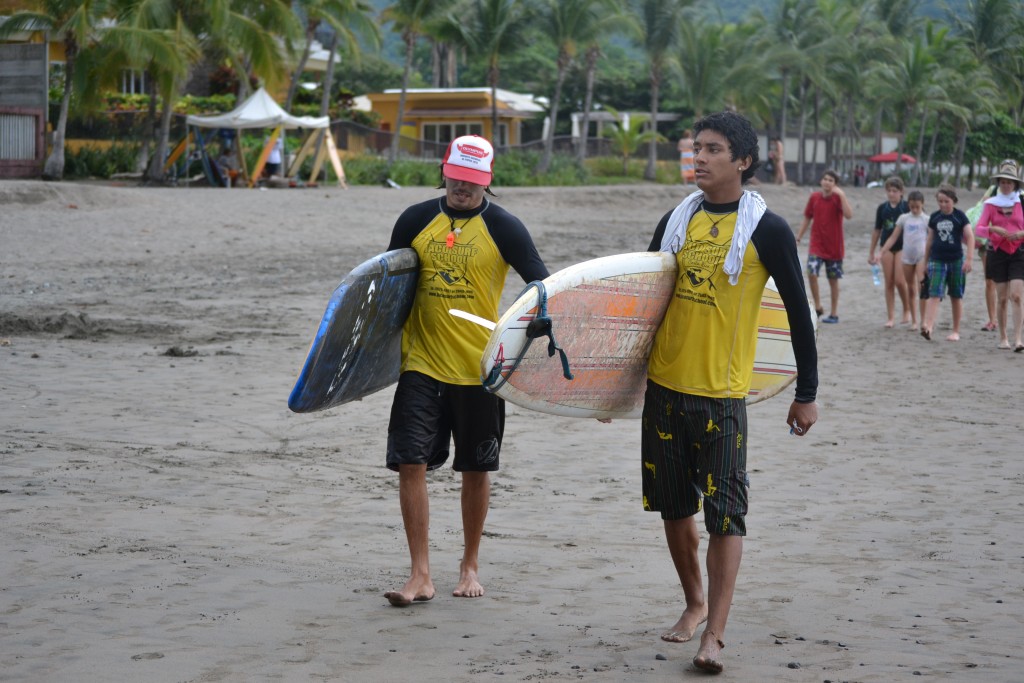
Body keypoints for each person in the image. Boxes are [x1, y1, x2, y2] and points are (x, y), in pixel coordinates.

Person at [642, 111, 818, 674]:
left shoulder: (767, 229)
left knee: (726, 517)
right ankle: (693, 602)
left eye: (713, 149)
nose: (700, 156)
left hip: (721, 396)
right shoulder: (676, 219)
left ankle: (714, 633)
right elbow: (642, 301)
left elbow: (798, 314)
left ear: (742, 161)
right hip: (665, 389)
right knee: (674, 509)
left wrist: (806, 392)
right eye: (697, 147)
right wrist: (610, 388)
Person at [381, 135, 549, 606]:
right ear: (444, 170)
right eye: (457, 177)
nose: (463, 188)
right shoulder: (415, 219)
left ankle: (469, 564)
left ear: (487, 180)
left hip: (480, 369)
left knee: (475, 468)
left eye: (473, 181)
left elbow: (540, 281)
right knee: (410, 460)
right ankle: (420, 575)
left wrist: (536, 317)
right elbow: (387, 288)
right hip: (422, 364)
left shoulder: (504, 227)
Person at [975, 159, 1024, 351]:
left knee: (1017, 296)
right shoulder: (990, 203)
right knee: (1002, 297)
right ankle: (1003, 337)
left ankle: (1019, 338)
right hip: (998, 252)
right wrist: (993, 229)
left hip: (1019, 252)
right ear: (998, 183)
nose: (1005, 185)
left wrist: (1021, 234)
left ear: (1015, 184)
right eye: (1002, 181)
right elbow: (978, 229)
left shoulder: (1022, 201)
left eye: (1009, 182)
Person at [796, 169, 853, 323]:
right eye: (825, 179)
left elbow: (849, 215)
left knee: (833, 280)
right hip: (816, 245)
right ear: (821, 181)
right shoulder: (814, 197)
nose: (827, 182)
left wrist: (841, 195)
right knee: (811, 272)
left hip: (834, 247)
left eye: (831, 180)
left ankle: (834, 313)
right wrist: (799, 237)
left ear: (835, 184)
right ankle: (818, 306)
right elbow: (807, 217)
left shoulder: (837, 198)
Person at [921, 185, 974, 342]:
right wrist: (925, 263)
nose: (943, 204)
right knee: (934, 294)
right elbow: (929, 240)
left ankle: (955, 331)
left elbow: (970, 237)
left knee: (956, 295)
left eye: (946, 201)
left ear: (954, 200)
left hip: (956, 260)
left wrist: (969, 259)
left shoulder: (960, 216)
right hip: (936, 260)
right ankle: (929, 327)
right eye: (940, 201)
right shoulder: (935, 217)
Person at [881, 190, 929, 330]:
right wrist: (882, 251)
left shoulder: (926, 219)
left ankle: (923, 321)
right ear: (908, 205)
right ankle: (914, 320)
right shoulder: (904, 218)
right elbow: (893, 237)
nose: (914, 210)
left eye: (917, 207)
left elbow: (931, 239)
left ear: (922, 204)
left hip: (921, 256)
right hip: (907, 257)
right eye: (912, 207)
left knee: (922, 286)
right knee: (911, 288)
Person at [868, 177, 911, 327]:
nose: (891, 194)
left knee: (900, 280)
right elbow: (877, 230)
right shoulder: (882, 208)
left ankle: (907, 309)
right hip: (885, 247)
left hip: (903, 247)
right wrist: (872, 252)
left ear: (901, 192)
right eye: (889, 191)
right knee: (889, 282)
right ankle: (891, 317)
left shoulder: (906, 207)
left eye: (895, 191)